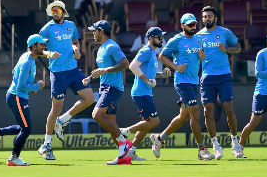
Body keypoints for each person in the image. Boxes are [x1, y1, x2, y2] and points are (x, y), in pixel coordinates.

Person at [150, 13, 214, 161]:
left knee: (184, 116)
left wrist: (202, 56)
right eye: (190, 24)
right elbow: (162, 56)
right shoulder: (177, 40)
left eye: (194, 24)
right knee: (195, 113)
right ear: (182, 25)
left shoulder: (198, 39)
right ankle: (202, 149)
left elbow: (200, 56)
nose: (193, 27)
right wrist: (175, 67)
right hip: (182, 82)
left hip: (194, 81)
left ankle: (159, 139)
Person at [37, 0, 95, 161]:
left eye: (58, 11)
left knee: (90, 98)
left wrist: (76, 49)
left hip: (73, 70)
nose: (55, 13)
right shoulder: (47, 28)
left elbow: (75, 42)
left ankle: (62, 120)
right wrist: (49, 54)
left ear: (63, 12)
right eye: (53, 11)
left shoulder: (71, 25)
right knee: (56, 108)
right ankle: (46, 145)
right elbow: (37, 48)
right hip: (58, 73)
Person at [0, 34, 47, 165]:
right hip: (17, 97)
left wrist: (31, 87)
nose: (44, 46)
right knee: (26, 129)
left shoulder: (27, 57)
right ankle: (13, 158)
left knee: (23, 127)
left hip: (18, 96)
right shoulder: (27, 61)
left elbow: (14, 72)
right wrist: (37, 86)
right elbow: (20, 85)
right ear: (33, 46)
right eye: (41, 44)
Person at [119, 26, 172, 161]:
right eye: (159, 37)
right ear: (151, 38)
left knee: (146, 124)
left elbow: (150, 74)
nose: (161, 40)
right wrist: (148, 81)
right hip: (141, 93)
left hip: (144, 92)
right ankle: (125, 131)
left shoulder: (152, 53)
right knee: (154, 121)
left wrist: (161, 74)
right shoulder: (146, 50)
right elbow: (132, 66)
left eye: (162, 37)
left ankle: (131, 151)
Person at [197, 6, 243, 159]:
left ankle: (235, 143)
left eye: (209, 16)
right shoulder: (198, 36)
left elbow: (238, 47)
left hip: (224, 76)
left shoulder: (225, 32)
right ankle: (215, 145)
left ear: (215, 18)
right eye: (204, 17)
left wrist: (226, 49)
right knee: (207, 111)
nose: (207, 19)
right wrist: (199, 56)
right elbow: (194, 55)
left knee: (229, 109)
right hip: (207, 78)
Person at [83, 20, 131, 165]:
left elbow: (125, 63)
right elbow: (102, 70)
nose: (93, 33)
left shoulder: (111, 46)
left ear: (101, 31)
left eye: (95, 30)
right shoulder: (101, 48)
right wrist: (90, 77)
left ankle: (124, 143)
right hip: (104, 87)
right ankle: (126, 156)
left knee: (96, 115)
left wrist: (105, 70)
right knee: (111, 123)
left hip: (113, 88)